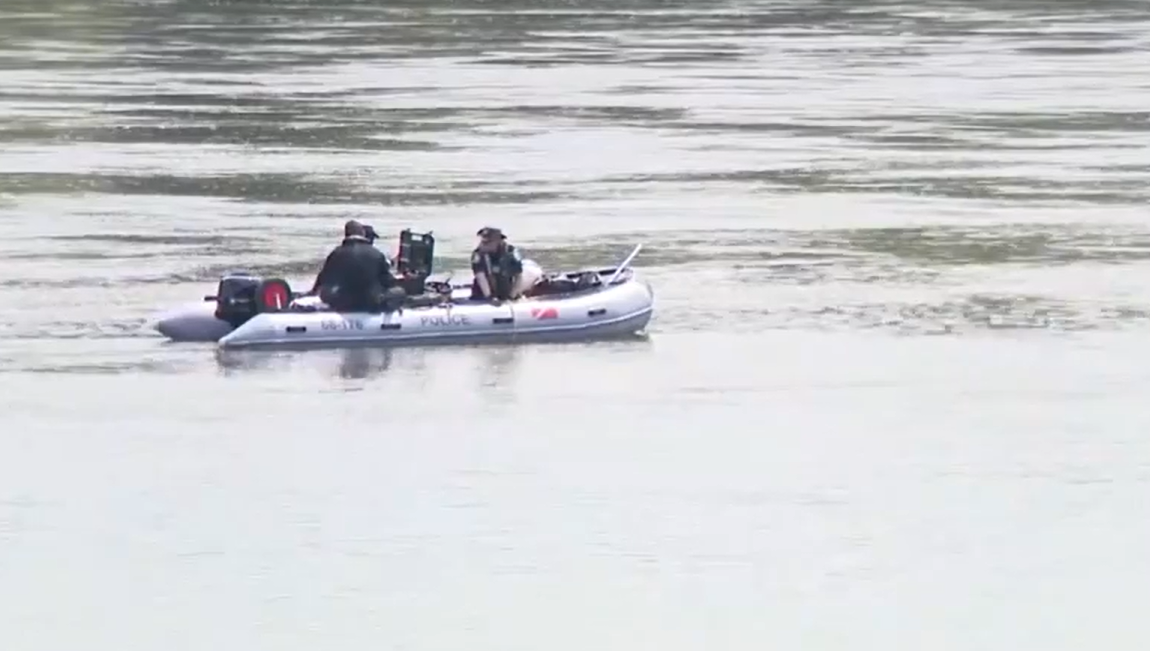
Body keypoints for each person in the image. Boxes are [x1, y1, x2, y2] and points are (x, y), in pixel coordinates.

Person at [308, 219, 402, 312]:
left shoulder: (336, 253)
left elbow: (323, 278)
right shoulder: (376, 254)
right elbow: (388, 281)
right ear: (363, 233)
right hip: (370, 302)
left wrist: (312, 292)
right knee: (398, 291)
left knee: (326, 291)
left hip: (342, 303)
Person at [470, 226, 525, 302]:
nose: (482, 245)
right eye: (482, 242)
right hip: (482, 295)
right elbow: (480, 277)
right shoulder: (478, 254)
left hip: (506, 291)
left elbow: (519, 276)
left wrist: (511, 296)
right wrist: (489, 297)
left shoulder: (511, 252)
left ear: (498, 241)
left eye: (487, 243)